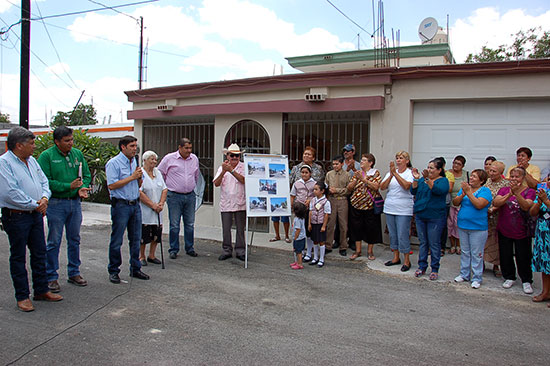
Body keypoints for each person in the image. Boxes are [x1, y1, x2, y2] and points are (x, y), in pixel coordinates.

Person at [0, 126, 62, 312]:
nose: (34, 147)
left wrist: (44, 199)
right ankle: (22, 296)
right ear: (19, 145)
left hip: (35, 214)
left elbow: (44, 181)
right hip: (16, 216)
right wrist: (35, 204)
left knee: (39, 252)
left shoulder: (32, 161)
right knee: (19, 256)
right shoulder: (4, 163)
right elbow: (10, 192)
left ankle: (41, 290)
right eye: (31, 143)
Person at [36, 126, 91, 293]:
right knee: (54, 241)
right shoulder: (46, 156)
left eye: (71, 139)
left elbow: (86, 175)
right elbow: (45, 182)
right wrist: (68, 186)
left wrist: (83, 188)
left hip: (75, 203)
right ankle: (51, 276)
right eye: (67, 141)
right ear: (56, 142)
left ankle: (74, 272)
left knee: (74, 239)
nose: (70, 143)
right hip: (56, 204)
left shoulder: (77, 154)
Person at [106, 135, 149, 284]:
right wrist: (132, 177)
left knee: (136, 238)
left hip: (135, 204)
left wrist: (138, 178)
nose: (134, 149)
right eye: (131, 146)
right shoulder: (114, 163)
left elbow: (137, 185)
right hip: (121, 205)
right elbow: (111, 185)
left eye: (135, 146)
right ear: (123, 147)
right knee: (117, 239)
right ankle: (113, 270)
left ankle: (135, 268)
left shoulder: (134, 162)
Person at [493, 167, 535, 293]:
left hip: (522, 230)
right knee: (505, 254)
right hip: (505, 228)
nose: (514, 179)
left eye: (517, 176)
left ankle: (526, 280)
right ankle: (509, 276)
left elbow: (526, 206)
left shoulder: (530, 191)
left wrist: (517, 194)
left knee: (523, 256)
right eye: (512, 176)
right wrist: (510, 194)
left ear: (523, 178)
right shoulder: (504, 190)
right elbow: (496, 202)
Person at [157, 138, 200, 259]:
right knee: (175, 224)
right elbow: (160, 174)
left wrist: (191, 186)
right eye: (186, 148)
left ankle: (189, 248)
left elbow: (196, 176)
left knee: (190, 224)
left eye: (190, 148)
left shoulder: (194, 159)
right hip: (174, 196)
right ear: (180, 148)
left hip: (190, 195)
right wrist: (166, 189)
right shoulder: (169, 158)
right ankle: (173, 249)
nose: (189, 151)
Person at [410, 157, 449, 281]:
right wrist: (416, 178)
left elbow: (438, 191)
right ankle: (422, 266)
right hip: (421, 215)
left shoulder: (443, 181)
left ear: (439, 170)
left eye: (432, 168)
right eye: (428, 167)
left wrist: (428, 179)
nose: (429, 170)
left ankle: (435, 268)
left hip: (435, 216)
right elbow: (413, 191)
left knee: (434, 243)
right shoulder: (422, 180)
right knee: (423, 242)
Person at [452, 169, 492, 289]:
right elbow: (455, 202)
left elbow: (479, 205)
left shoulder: (485, 191)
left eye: (475, 177)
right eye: (472, 176)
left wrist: (468, 193)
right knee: (465, 251)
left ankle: (477, 277)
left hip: (478, 228)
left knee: (477, 253)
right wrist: (463, 194)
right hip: (463, 225)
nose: (472, 178)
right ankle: (464, 274)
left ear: (482, 181)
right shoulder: (465, 189)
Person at [380, 151, 414, 272]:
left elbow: (406, 186)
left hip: (404, 208)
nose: (398, 160)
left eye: (401, 158)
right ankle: (395, 257)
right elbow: (382, 187)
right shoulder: (390, 173)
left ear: (407, 161)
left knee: (402, 234)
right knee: (393, 234)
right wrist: (391, 175)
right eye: (397, 158)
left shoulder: (410, 173)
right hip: (390, 207)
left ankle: (406, 260)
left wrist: (396, 174)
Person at [213, 143, 246, 261]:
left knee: (240, 229)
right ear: (227, 156)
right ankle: (226, 250)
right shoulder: (222, 167)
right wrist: (223, 171)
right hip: (226, 202)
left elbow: (244, 180)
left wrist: (231, 170)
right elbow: (216, 183)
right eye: (232, 155)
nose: (234, 158)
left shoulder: (244, 166)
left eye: (237, 155)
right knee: (226, 228)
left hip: (240, 202)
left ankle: (240, 251)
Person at [347, 153, 382, 261]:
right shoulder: (357, 173)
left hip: (369, 207)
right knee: (356, 228)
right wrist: (356, 179)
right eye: (361, 160)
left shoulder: (375, 173)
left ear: (370, 163)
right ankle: (357, 250)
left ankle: (370, 251)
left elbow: (376, 187)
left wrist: (363, 179)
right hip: (356, 205)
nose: (361, 162)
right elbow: (349, 187)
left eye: (364, 160)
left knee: (371, 229)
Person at [139, 150, 167, 266]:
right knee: (144, 234)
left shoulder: (157, 172)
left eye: (155, 159)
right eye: (152, 159)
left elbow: (164, 189)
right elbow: (139, 192)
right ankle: (141, 256)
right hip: (145, 209)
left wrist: (161, 203)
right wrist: (152, 205)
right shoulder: (140, 173)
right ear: (144, 160)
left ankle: (152, 255)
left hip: (158, 209)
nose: (154, 162)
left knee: (156, 233)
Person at [483, 161, 509, 277]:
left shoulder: (505, 184)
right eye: (490, 170)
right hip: (485, 217)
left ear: (501, 173)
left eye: (494, 171)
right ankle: (481, 263)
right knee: (484, 240)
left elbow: (505, 199)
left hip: (498, 216)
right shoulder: (486, 181)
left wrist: (494, 208)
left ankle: (496, 265)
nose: (491, 173)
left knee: (496, 242)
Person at [325, 155, 350, 256]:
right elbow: (325, 186)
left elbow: (349, 190)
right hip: (331, 200)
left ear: (342, 164)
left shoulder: (347, 175)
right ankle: (328, 245)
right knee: (330, 224)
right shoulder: (329, 174)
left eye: (337, 164)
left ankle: (343, 246)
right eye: (333, 164)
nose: (335, 166)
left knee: (343, 225)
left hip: (342, 200)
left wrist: (337, 190)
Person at [290, 165, 316, 262]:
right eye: (302, 172)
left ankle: (309, 252)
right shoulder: (297, 183)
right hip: (299, 210)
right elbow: (292, 195)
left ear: (310, 173)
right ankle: (301, 251)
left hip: (309, 210)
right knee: (299, 230)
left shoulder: (314, 183)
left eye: (306, 172)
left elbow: (317, 195)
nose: (304, 174)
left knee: (308, 231)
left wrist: (310, 199)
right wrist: (292, 206)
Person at [530, 183, 550, 305]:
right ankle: (545, 292)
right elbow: (532, 212)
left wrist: (546, 201)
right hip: (543, 232)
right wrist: (539, 202)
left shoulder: (545, 196)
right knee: (545, 263)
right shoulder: (544, 192)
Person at [448, 155, 468, 255]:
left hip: (461, 203)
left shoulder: (466, 175)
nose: (456, 165)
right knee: (450, 224)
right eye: (454, 163)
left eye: (458, 164)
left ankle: (459, 245)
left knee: (458, 224)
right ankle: (452, 245)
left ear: (463, 166)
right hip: (450, 203)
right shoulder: (448, 173)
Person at [308, 182, 331, 268]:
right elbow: (310, 212)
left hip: (320, 223)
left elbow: (326, 214)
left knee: (321, 241)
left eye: (316, 189)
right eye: (314, 189)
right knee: (315, 240)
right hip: (314, 223)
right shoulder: (313, 200)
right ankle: (315, 257)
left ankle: (321, 259)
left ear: (322, 191)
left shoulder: (326, 202)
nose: (314, 191)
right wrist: (309, 223)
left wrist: (324, 226)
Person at [290, 202, 308, 270]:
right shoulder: (301, 218)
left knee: (298, 251)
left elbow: (298, 230)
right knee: (296, 250)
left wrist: (295, 237)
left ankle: (300, 264)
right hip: (300, 237)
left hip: (299, 238)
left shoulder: (297, 219)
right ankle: (297, 262)